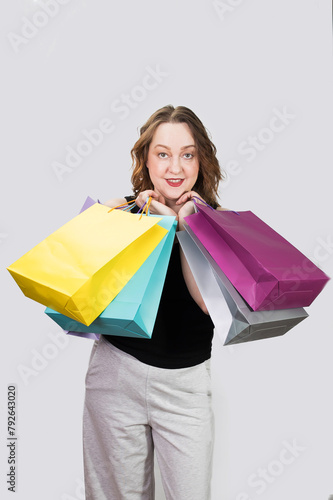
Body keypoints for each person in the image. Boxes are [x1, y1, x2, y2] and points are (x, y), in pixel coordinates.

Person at [83, 105, 224, 500]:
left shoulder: (218, 223)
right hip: (115, 375)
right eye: (162, 153)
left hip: (185, 386)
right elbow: (78, 276)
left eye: (187, 154)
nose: (174, 166)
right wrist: (111, 216)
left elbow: (207, 304)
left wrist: (181, 227)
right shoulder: (124, 213)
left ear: (201, 161)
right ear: (146, 159)